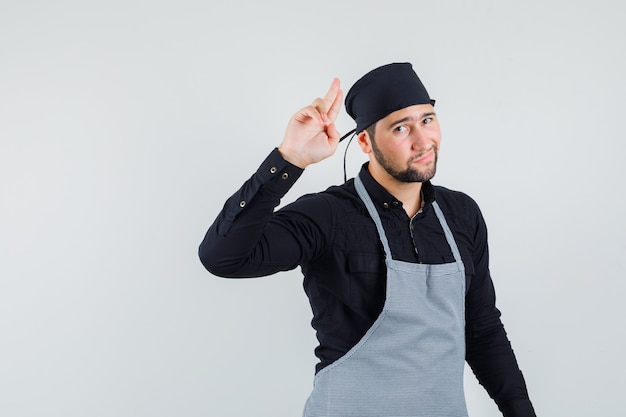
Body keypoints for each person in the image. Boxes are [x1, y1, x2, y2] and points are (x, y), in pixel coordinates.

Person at [199, 63, 536, 417]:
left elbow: (482, 328)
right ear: (365, 141)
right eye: (401, 128)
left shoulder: (462, 215)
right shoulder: (327, 215)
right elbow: (223, 258)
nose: (422, 141)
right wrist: (289, 159)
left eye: (427, 120)